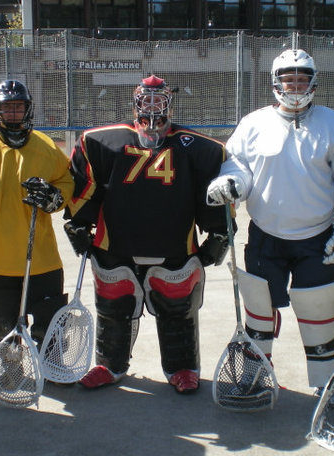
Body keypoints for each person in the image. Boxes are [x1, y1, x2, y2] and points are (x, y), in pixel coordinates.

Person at [206, 49, 334, 394]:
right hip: (266, 236)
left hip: (319, 238)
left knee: (319, 315)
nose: (295, 85)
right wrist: (231, 184)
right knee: (259, 312)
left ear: (313, 81)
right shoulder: (253, 123)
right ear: (275, 82)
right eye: (288, 79)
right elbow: (238, 167)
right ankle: (256, 373)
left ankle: (326, 382)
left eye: (301, 78)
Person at [64, 74, 232, 393]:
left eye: (159, 100)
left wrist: (220, 233)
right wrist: (76, 222)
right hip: (115, 242)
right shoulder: (100, 141)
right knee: (113, 303)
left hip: (174, 243)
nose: (153, 106)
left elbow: (211, 194)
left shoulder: (200, 147)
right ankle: (109, 364)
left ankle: (182, 368)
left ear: (170, 102)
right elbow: (85, 186)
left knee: (178, 306)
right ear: (135, 101)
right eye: (147, 99)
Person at [0, 79, 74, 352]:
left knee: (51, 326)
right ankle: (11, 370)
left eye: (18, 107)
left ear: (28, 110)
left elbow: (67, 181)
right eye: (6, 108)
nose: (12, 113)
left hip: (42, 260)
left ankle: (53, 367)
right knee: (4, 330)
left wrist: (55, 197)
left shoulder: (45, 147)